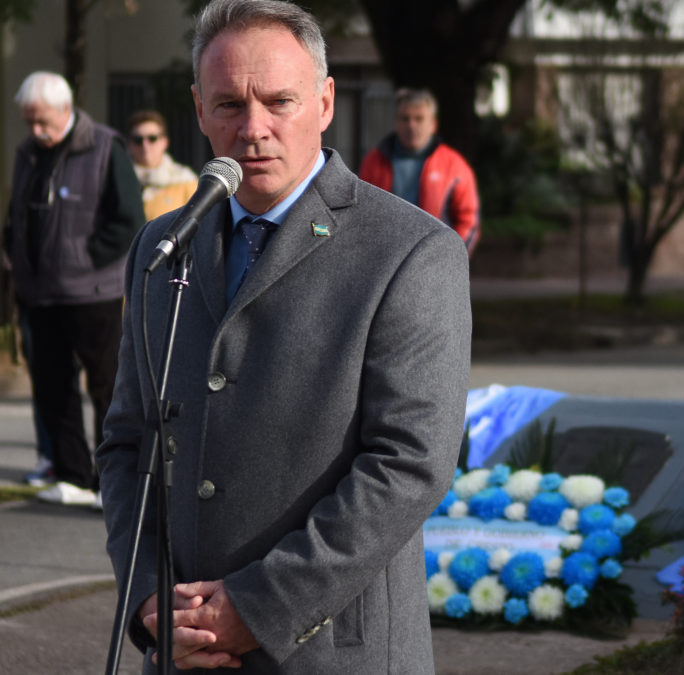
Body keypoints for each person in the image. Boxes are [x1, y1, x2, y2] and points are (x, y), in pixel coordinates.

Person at [96, 0, 471, 672]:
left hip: (330, 649)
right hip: (183, 650)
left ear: (325, 101)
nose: (254, 129)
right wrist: (149, 600)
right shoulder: (162, 245)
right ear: (199, 108)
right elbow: (128, 444)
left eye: (279, 101)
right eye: (230, 105)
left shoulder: (412, 251)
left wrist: (257, 607)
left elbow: (409, 462)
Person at [4, 71, 144, 506]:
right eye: (29, 121)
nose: (36, 131)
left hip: (94, 293)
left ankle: (111, 480)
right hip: (41, 293)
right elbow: (18, 215)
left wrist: (85, 258)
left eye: (43, 121)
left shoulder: (106, 146)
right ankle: (72, 475)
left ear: (66, 111)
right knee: (51, 389)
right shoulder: (27, 152)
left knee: (106, 387)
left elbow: (129, 220)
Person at [360, 88, 480, 254]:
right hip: (385, 259)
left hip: (434, 259)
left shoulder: (454, 166)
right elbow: (361, 213)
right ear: (396, 122)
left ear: (433, 124)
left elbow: (469, 219)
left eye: (419, 119)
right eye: (405, 119)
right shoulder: (373, 162)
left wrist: (451, 258)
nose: (411, 125)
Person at [126, 109, 199, 220]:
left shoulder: (185, 181)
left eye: (152, 139)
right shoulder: (119, 181)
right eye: (138, 140)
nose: (145, 146)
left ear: (165, 142)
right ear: (129, 144)